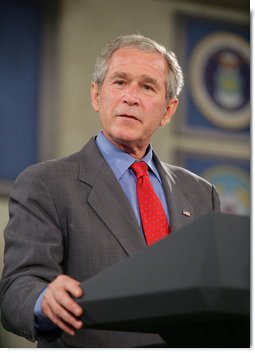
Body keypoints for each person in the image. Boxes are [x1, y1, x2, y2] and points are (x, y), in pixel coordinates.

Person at [0, 34, 221, 348]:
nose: (131, 97)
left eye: (147, 86)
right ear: (96, 95)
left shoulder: (202, 193)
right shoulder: (45, 183)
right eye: (120, 82)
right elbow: (16, 289)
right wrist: (43, 301)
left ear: (168, 110)